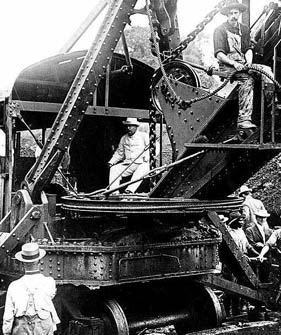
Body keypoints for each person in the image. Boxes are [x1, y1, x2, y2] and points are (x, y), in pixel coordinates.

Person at [213, 0, 273, 131]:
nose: (234, 16)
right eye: (231, 13)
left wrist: (249, 62)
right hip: (227, 66)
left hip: (242, 64)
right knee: (247, 79)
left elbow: (247, 49)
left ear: (239, 13)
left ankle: (272, 106)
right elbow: (219, 54)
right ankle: (243, 119)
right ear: (227, 15)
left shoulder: (244, 29)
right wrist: (234, 63)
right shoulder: (220, 30)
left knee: (266, 70)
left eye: (236, 13)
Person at [2, 242, 60, 335]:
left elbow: (8, 316)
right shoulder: (49, 282)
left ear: (22, 263)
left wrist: (7, 331)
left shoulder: (14, 286)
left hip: (21, 327)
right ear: (39, 260)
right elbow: (51, 295)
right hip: (43, 326)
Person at [108, 118, 150, 194]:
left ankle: (130, 190)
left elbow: (156, 146)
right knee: (114, 169)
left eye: (130, 126)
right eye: (127, 126)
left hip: (141, 163)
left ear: (136, 127)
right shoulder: (124, 138)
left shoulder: (143, 136)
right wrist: (112, 162)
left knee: (143, 169)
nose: (128, 128)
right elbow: (119, 152)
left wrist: (147, 157)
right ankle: (114, 192)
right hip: (128, 164)